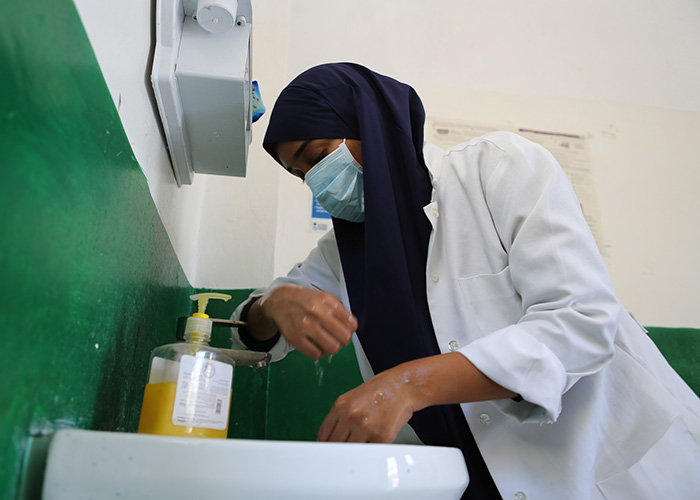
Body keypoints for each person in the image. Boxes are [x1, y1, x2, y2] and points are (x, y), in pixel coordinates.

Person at [231, 62, 700, 499]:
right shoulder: (346, 251)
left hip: (614, 469)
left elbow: (580, 323)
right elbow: (257, 334)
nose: (316, 183)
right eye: (300, 175)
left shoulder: (500, 168)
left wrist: (409, 384)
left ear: (368, 123)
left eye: (317, 156)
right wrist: (273, 306)